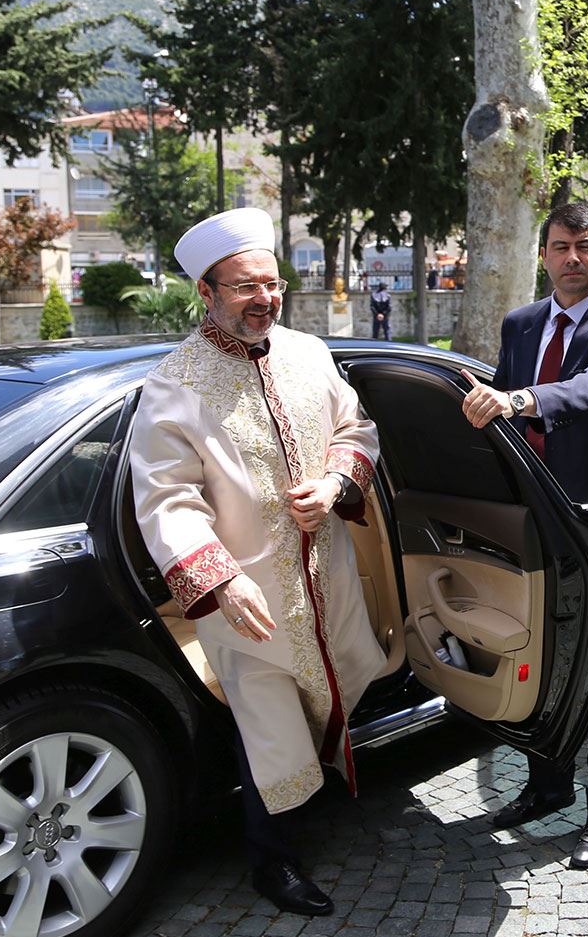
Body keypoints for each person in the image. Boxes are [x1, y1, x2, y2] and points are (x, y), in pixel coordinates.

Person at [129, 207, 385, 916]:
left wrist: (335, 484)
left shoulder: (310, 353)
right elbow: (166, 498)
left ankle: (324, 797)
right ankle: (273, 860)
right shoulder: (174, 385)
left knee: (326, 692)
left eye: (271, 284)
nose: (263, 299)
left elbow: (355, 428)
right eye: (245, 287)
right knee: (266, 728)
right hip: (250, 595)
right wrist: (220, 578)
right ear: (205, 292)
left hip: (326, 578)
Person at [460, 201, 588, 870]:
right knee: (545, 662)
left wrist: (521, 399)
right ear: (544, 254)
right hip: (538, 525)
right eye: (560, 246)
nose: (572, 257)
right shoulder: (520, 324)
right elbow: (498, 414)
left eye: (584, 245)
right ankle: (547, 784)